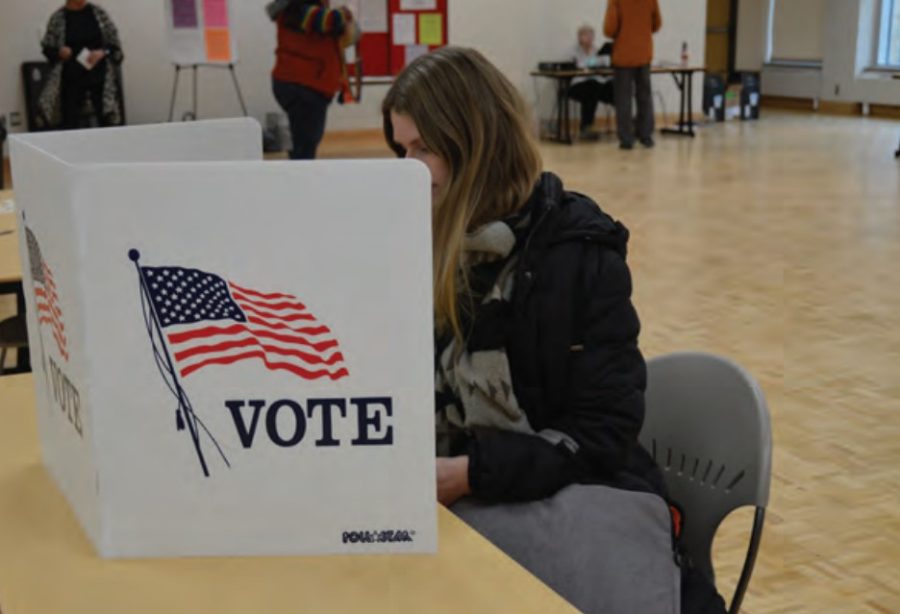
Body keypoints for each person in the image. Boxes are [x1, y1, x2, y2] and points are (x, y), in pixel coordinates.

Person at [382, 47, 726, 613]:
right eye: (401, 148)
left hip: (574, 506)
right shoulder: (421, 243)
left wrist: (470, 474)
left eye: (422, 148)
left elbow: (602, 433)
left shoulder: (579, 252)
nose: (407, 168)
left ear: (474, 145)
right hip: (474, 502)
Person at [267, 0, 356, 160]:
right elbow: (332, 20)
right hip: (304, 86)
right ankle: (301, 181)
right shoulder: (299, 10)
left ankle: (300, 178)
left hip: (303, 85)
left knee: (304, 142)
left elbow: (350, 35)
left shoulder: (298, 9)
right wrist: (347, 11)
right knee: (304, 146)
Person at [39, 0, 124, 130]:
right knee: (70, 123)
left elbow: (115, 47)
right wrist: (60, 52)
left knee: (108, 122)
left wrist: (102, 52)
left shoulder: (99, 14)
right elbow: (47, 49)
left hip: (100, 79)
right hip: (71, 80)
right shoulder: (58, 18)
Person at [603, 0, 662, 150]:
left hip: (623, 56)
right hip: (644, 53)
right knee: (645, 96)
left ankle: (626, 139)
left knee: (623, 98)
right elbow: (657, 24)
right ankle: (646, 135)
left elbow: (610, 28)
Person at [568, 24, 614, 141]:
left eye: (591, 36)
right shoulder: (574, 51)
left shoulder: (597, 50)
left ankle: (628, 124)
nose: (589, 38)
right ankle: (586, 127)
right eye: (586, 35)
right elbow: (580, 65)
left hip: (597, 83)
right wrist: (594, 61)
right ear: (579, 37)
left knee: (613, 89)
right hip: (578, 84)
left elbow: (604, 64)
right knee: (592, 89)